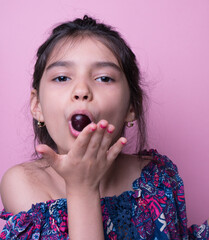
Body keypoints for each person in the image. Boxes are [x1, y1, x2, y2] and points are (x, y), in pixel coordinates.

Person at [0, 15, 208, 240]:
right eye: (61, 78)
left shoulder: (157, 179)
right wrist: (83, 188)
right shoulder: (23, 183)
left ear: (131, 106)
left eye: (104, 78)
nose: (81, 90)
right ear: (37, 105)